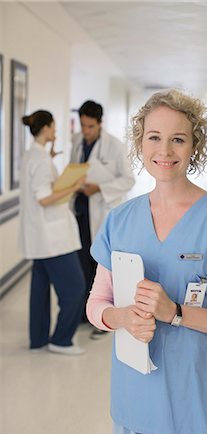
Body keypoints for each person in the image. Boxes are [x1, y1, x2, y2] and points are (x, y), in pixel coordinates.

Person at [86, 89, 207, 434]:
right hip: (134, 394)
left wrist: (177, 314)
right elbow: (96, 305)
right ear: (140, 143)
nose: (165, 151)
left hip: (195, 399)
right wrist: (120, 317)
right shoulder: (119, 221)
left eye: (178, 139)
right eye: (154, 137)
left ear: (195, 147)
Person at [19, 110, 86, 355]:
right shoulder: (41, 161)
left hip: (39, 237)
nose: (55, 131)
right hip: (53, 240)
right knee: (75, 288)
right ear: (46, 127)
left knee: (40, 290)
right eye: (54, 127)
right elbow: (45, 198)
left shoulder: (32, 155)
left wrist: (51, 156)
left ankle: (38, 340)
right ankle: (61, 340)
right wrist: (75, 185)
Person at [70, 100, 135, 337]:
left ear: (100, 123)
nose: (86, 131)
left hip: (102, 211)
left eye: (90, 126)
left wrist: (98, 188)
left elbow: (128, 180)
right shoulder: (77, 142)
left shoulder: (115, 146)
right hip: (80, 211)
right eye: (83, 125)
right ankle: (85, 313)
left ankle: (103, 320)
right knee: (82, 264)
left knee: (101, 266)